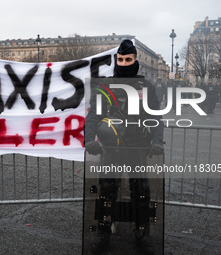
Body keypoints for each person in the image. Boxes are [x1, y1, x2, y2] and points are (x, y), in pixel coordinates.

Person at [85, 39, 164, 255]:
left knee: (141, 192)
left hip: (138, 147)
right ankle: (103, 229)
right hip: (112, 148)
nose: (124, 63)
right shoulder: (106, 86)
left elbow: (156, 117)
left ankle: (142, 230)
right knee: (107, 192)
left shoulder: (146, 87)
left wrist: (157, 141)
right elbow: (93, 115)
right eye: (120, 59)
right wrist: (89, 139)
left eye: (128, 59)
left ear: (135, 60)